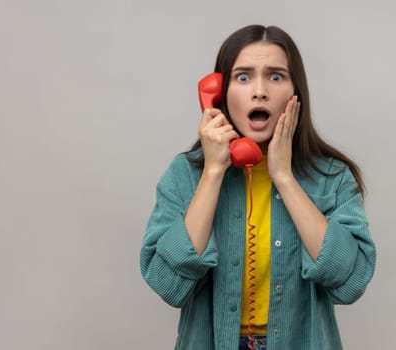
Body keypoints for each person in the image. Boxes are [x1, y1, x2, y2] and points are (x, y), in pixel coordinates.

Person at [140, 24, 376, 350]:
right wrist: (211, 173)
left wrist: (284, 177)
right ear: (219, 94)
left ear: (296, 93)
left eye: (276, 76)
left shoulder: (331, 176)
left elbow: (350, 281)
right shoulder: (185, 175)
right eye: (243, 77)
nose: (260, 91)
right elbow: (168, 285)